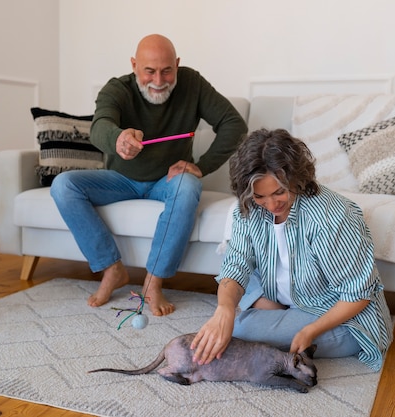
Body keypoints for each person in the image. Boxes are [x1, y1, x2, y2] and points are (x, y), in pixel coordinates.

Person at [50, 34, 248, 316]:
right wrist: (118, 138)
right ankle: (111, 269)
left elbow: (234, 124)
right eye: (149, 71)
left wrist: (202, 165)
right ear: (134, 65)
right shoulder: (117, 89)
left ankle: (153, 281)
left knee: (188, 186)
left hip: (167, 181)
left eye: (167, 70)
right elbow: (99, 126)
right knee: (63, 185)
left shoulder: (192, 83)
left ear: (177, 65)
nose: (159, 79)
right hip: (120, 180)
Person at [190, 128, 393, 371]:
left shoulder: (333, 217)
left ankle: (277, 313)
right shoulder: (247, 208)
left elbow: (358, 294)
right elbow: (236, 264)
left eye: (279, 192)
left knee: (242, 329)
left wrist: (310, 331)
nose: (271, 204)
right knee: (234, 291)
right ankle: (276, 309)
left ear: (296, 178)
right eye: (260, 196)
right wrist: (224, 309)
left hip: (336, 312)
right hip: (290, 293)